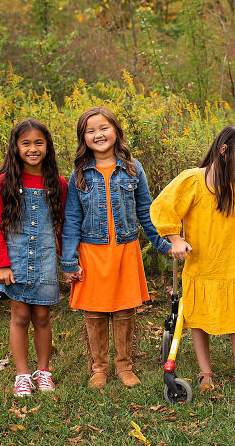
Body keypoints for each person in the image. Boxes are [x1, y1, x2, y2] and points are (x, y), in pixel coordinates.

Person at [150, 125, 235, 392]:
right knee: (199, 318)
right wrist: (175, 240)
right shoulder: (193, 180)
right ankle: (205, 372)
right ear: (224, 150)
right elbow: (164, 207)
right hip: (202, 264)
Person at [61, 106, 171, 389]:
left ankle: (124, 365)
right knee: (94, 311)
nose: (98, 135)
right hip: (92, 251)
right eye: (91, 131)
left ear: (116, 131)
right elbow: (71, 218)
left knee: (124, 310)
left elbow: (146, 211)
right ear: (83, 138)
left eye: (104, 128)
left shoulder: (133, 169)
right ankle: (99, 368)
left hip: (124, 249)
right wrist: (69, 260)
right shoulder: (80, 174)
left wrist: (162, 244)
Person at [0, 119, 67, 397]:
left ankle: (43, 372)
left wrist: (67, 261)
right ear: (16, 147)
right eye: (26, 143)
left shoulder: (58, 183)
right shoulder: (5, 182)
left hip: (45, 259)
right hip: (16, 260)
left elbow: (61, 225)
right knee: (21, 316)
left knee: (43, 316)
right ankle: (22, 375)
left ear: (47, 147)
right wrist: (2, 264)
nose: (33, 149)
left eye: (38, 143)